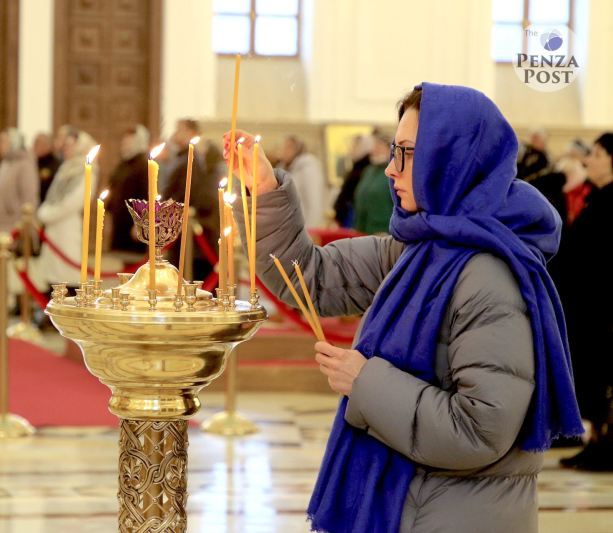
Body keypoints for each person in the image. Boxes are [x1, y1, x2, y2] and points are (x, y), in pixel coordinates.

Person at [225, 83, 582, 533]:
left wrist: (365, 381)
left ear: (451, 158)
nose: (392, 169)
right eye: (394, 150)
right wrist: (264, 190)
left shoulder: (490, 276)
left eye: (408, 153)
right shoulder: (418, 250)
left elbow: (479, 432)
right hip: (412, 505)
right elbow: (308, 278)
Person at [553, 133, 613, 471]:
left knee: (602, 375)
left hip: (601, 308)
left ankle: (606, 441)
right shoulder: (599, 199)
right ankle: (596, 438)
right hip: (586, 306)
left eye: (599, 154)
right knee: (591, 373)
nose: (590, 161)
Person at [37, 129, 98, 287]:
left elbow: (75, 200)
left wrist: (48, 214)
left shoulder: (85, 170)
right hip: (54, 228)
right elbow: (53, 195)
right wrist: (45, 211)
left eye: (70, 145)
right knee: (52, 273)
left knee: (68, 273)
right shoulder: (65, 168)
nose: (66, 149)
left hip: (68, 227)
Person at [161, 119, 218, 281]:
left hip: (192, 235)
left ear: (190, 133)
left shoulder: (192, 161)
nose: (174, 134)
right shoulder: (182, 158)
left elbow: (190, 196)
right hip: (181, 232)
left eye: (179, 129)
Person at [0, 128, 39, 251]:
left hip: (14, 224)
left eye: (4, 142)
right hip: (1, 222)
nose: (0, 145)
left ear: (14, 143)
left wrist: (25, 227)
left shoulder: (25, 165)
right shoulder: (5, 163)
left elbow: (29, 197)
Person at [107, 125, 149, 254]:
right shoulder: (123, 164)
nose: (124, 143)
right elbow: (113, 190)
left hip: (133, 223)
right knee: (122, 261)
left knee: (135, 263)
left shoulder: (144, 165)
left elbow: (146, 196)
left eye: (128, 140)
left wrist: (140, 224)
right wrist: (108, 218)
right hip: (119, 221)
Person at [276, 134, 326, 228]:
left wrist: (312, 228)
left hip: (305, 224)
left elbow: (314, 200)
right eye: (284, 147)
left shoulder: (308, 168)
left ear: (298, 149)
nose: (285, 151)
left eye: (290, 147)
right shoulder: (285, 169)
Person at [350, 133, 394, 235]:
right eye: (374, 146)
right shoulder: (369, 170)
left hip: (384, 231)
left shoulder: (393, 171)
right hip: (362, 229)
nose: (375, 150)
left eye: (379, 146)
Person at [332, 134, 373, 227]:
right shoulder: (356, 167)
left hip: (352, 215)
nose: (352, 149)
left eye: (356, 145)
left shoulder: (364, 169)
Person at [33, 133, 61, 204]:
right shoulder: (33, 162)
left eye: (37, 143)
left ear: (47, 145)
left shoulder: (56, 165)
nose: (34, 146)